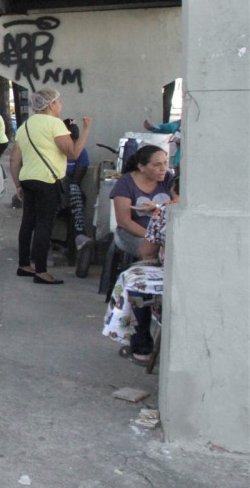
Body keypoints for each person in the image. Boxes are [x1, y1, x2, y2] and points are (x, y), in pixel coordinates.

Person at [10, 88, 91, 284]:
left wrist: (18, 185)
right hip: (48, 180)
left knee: (27, 222)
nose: (60, 106)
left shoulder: (25, 126)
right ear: (51, 104)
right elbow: (73, 154)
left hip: (27, 179)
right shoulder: (55, 125)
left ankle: (23, 264)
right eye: (59, 102)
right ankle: (41, 270)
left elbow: (14, 159)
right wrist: (86, 130)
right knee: (44, 225)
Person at [103, 205, 167, 366]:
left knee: (135, 284)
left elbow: (147, 251)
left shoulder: (165, 211)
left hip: (172, 273)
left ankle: (141, 348)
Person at [110, 144, 176, 257]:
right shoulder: (125, 183)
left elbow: (178, 203)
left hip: (163, 234)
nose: (163, 168)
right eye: (157, 165)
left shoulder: (168, 178)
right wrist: (152, 237)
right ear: (141, 167)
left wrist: (157, 207)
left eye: (165, 163)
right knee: (152, 251)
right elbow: (124, 221)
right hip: (133, 234)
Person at [63, 119, 91, 251]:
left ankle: (79, 233)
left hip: (68, 190)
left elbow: (77, 179)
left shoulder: (81, 152)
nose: (72, 145)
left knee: (73, 188)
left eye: (74, 141)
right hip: (53, 187)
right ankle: (80, 233)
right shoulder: (54, 150)